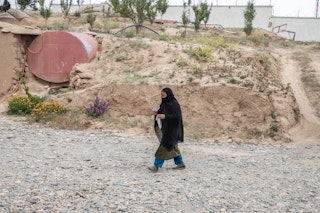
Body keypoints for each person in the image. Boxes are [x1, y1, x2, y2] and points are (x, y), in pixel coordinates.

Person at [149, 87, 185, 172]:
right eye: (161, 95)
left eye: (164, 95)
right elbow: (162, 112)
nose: (163, 96)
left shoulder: (174, 104)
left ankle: (156, 166)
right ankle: (180, 163)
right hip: (166, 128)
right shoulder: (164, 103)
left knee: (164, 146)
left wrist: (165, 116)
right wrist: (157, 113)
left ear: (168, 94)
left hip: (172, 129)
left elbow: (177, 116)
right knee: (173, 146)